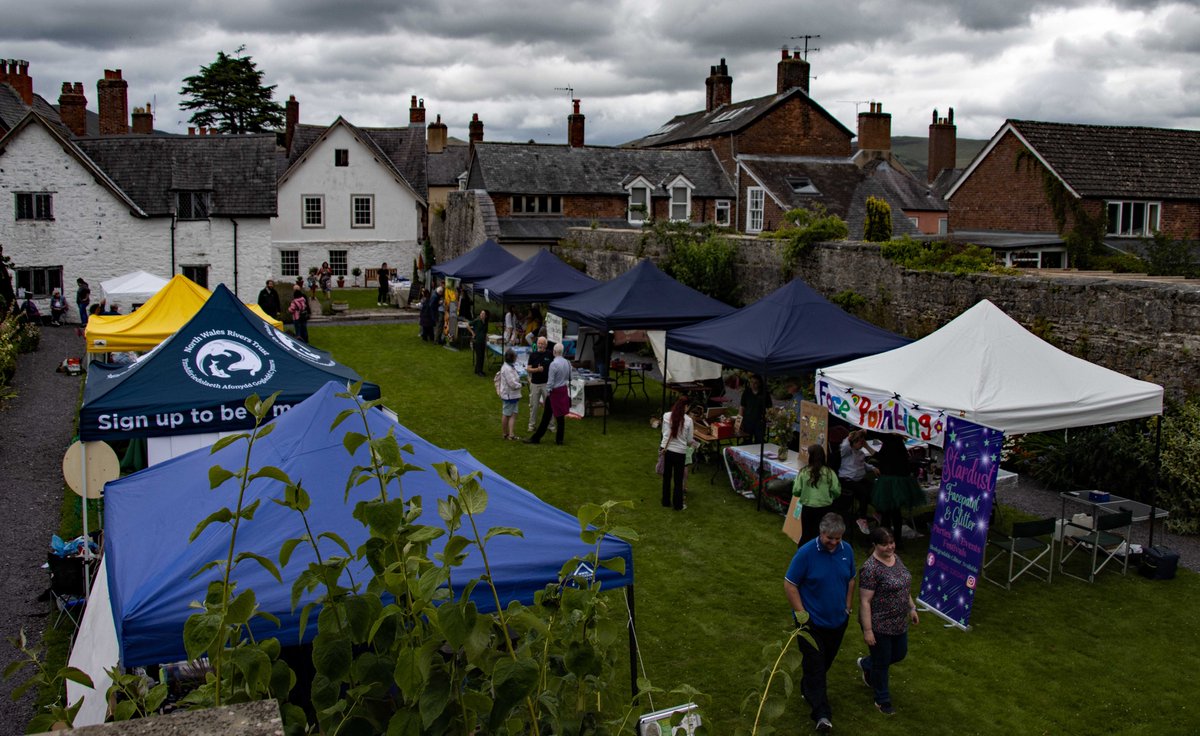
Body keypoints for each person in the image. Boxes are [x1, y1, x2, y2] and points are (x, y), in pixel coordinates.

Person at [784, 513, 856, 733]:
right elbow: (790, 584)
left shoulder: (848, 551)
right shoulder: (805, 553)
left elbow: (851, 578)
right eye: (829, 538)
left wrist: (847, 606)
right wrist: (802, 614)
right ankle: (822, 715)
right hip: (811, 624)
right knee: (816, 666)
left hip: (837, 621)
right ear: (821, 532)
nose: (834, 542)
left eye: (838, 538)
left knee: (823, 664)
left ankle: (808, 688)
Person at [856, 526, 919, 716]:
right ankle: (882, 699)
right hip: (879, 624)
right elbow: (865, 602)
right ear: (875, 545)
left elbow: (903, 586)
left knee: (899, 653)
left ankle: (867, 665)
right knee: (882, 664)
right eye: (884, 544)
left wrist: (912, 608)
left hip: (899, 622)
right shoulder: (870, 569)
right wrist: (868, 630)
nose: (890, 547)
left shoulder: (896, 559)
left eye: (891, 543)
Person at [871, 434, 924, 547]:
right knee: (896, 513)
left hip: (889, 481)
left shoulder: (890, 442)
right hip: (900, 481)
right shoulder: (899, 445)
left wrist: (865, 445)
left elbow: (879, 456)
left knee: (887, 513)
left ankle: (885, 539)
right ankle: (896, 539)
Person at [793, 444, 842, 548]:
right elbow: (836, 490)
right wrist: (830, 497)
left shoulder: (804, 472)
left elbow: (796, 491)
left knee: (807, 533)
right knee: (822, 533)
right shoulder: (830, 473)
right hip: (825, 507)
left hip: (808, 507)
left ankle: (803, 553)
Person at [525, 342, 570, 445]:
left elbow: (550, 382)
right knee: (560, 416)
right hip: (562, 390)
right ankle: (559, 439)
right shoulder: (567, 362)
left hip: (554, 392)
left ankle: (536, 438)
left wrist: (548, 393)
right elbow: (569, 377)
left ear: (554, 352)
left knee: (547, 416)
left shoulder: (554, 364)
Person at [838, 430, 879, 535]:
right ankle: (862, 518)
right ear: (854, 442)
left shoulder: (860, 453)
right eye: (859, 442)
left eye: (862, 442)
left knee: (874, 488)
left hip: (859, 479)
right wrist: (849, 437)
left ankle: (877, 511)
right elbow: (844, 446)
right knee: (863, 492)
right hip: (848, 479)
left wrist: (873, 468)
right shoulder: (847, 452)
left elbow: (863, 464)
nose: (861, 444)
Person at [659, 396, 693, 511]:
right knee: (678, 480)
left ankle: (665, 501)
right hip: (679, 452)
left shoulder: (666, 416)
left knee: (666, 477)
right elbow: (689, 440)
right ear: (686, 407)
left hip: (666, 450)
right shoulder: (689, 421)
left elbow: (664, 432)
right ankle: (678, 505)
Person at [526, 336, 556, 435]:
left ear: (546, 345)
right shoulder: (533, 355)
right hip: (535, 384)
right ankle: (531, 425)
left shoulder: (549, 354)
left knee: (549, 406)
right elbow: (528, 369)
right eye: (539, 343)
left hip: (546, 384)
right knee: (534, 406)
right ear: (537, 344)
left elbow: (554, 366)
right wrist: (537, 370)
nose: (540, 345)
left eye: (542, 344)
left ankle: (551, 426)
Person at [738, 374, 772, 444]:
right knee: (747, 441)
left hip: (760, 422)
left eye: (755, 382)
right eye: (751, 382)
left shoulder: (765, 393)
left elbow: (769, 408)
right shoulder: (746, 392)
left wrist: (769, 419)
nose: (753, 384)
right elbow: (742, 407)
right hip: (748, 421)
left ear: (759, 383)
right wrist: (739, 420)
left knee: (759, 442)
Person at [497, 348, 523, 440]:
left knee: (513, 414)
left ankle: (511, 434)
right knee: (506, 414)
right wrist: (521, 385)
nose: (516, 358)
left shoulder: (509, 366)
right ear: (511, 358)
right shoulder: (507, 369)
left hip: (513, 395)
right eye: (515, 356)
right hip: (509, 396)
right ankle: (505, 434)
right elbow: (512, 384)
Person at [467, 309, 489, 377]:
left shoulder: (485, 323)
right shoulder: (477, 321)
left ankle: (478, 370)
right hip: (477, 341)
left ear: (486, 316)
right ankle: (479, 371)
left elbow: (485, 332)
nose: (481, 315)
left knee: (482, 356)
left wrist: (486, 339)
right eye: (481, 313)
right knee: (479, 356)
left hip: (482, 341)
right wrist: (472, 332)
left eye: (483, 314)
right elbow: (467, 325)